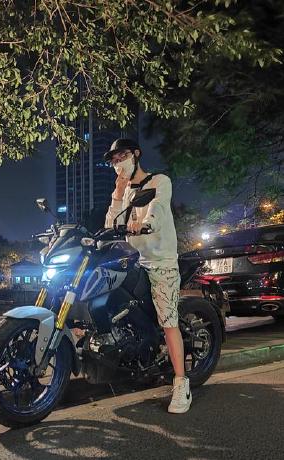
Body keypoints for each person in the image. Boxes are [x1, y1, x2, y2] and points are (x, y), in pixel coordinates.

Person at [104, 138, 191, 414]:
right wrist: (118, 193)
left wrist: (146, 224)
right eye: (114, 160)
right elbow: (111, 224)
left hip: (161, 262)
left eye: (122, 157)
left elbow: (158, 208)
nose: (118, 163)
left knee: (168, 321)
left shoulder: (159, 181)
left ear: (136, 155)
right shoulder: (123, 191)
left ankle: (181, 383)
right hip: (136, 260)